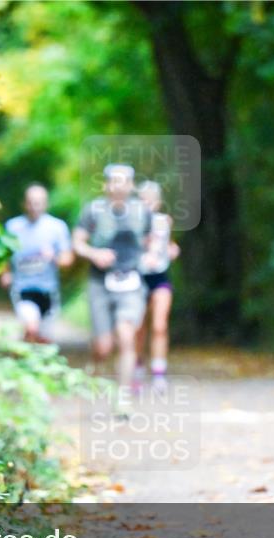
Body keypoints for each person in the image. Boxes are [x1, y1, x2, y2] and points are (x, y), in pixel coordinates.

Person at [73, 164, 152, 405]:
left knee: (126, 335)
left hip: (131, 281)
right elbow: (77, 242)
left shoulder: (142, 212)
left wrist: (150, 257)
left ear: (131, 185)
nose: (118, 186)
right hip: (100, 282)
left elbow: (151, 242)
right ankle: (95, 371)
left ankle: (123, 396)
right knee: (103, 346)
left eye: (123, 181)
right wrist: (94, 254)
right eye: (114, 181)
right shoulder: (93, 211)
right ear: (106, 185)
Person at [0, 183, 73, 343]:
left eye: (38, 202)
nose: (34, 206)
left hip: (48, 291)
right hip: (22, 289)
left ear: (46, 203)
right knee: (32, 327)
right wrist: (5, 273)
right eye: (31, 202)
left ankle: (29, 359)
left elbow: (67, 260)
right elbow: (3, 255)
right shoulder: (13, 227)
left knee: (45, 338)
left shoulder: (57, 227)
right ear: (24, 204)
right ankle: (26, 355)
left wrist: (53, 257)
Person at [134, 180, 180, 391]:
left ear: (158, 202)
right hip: (137, 278)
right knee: (139, 327)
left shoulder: (164, 222)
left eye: (151, 200)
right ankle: (136, 369)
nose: (147, 204)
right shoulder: (131, 223)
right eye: (143, 200)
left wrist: (172, 249)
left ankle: (159, 373)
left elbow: (167, 244)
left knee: (160, 325)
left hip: (160, 277)